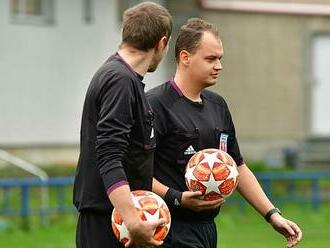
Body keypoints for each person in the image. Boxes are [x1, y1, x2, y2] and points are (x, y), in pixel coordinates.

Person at [147, 18, 302, 248]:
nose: (219, 65)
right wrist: (176, 198)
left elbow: (237, 166)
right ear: (185, 57)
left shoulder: (218, 105)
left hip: (208, 230)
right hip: (168, 230)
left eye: (220, 58)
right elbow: (135, 171)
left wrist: (272, 214)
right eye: (211, 59)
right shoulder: (155, 105)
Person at [73, 2, 172, 247]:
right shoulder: (120, 81)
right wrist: (132, 218)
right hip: (109, 223)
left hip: (117, 221)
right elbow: (108, 153)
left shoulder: (122, 77)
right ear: (161, 43)